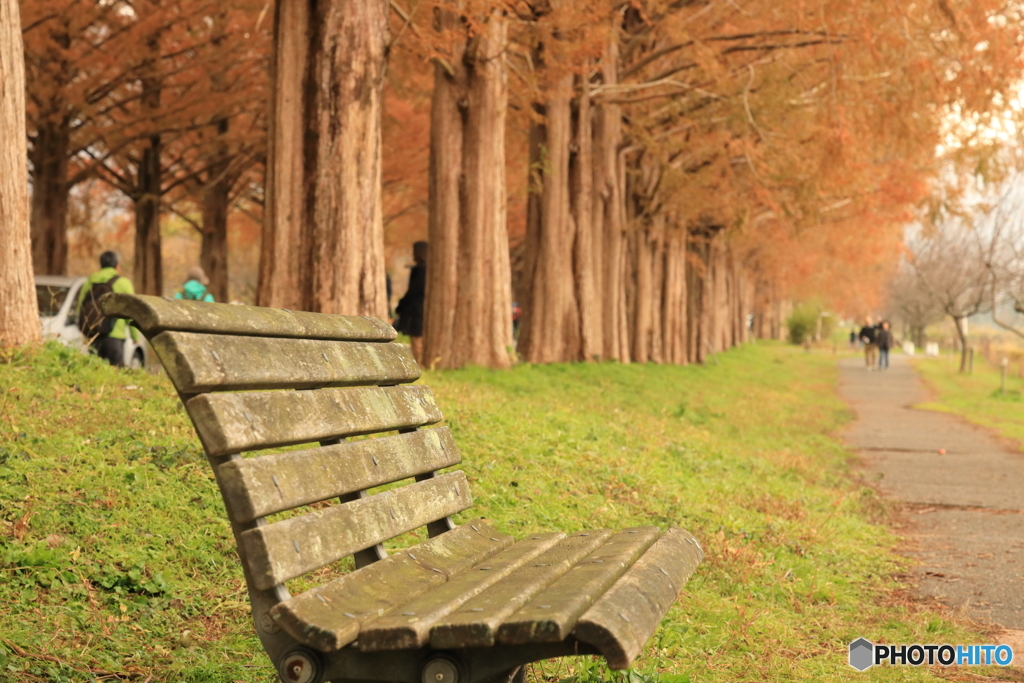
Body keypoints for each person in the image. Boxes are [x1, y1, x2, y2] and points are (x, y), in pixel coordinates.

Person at [76, 250, 137, 367]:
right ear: (117, 266)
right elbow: (133, 311)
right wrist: (135, 336)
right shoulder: (123, 283)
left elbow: (81, 306)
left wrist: (85, 331)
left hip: (93, 334)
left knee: (95, 370)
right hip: (115, 335)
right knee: (115, 371)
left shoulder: (90, 281)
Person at [395, 241, 427, 362]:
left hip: (417, 309)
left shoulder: (420, 270)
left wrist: (401, 306)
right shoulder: (425, 269)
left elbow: (413, 291)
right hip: (420, 308)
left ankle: (420, 362)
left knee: (417, 338)